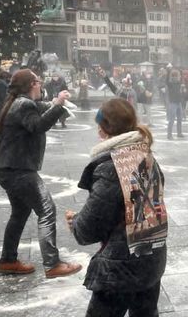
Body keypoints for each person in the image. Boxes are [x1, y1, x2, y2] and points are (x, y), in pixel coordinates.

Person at [65, 98, 167, 317]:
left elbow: (88, 230)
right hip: (151, 257)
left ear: (103, 130)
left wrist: (76, 222)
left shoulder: (112, 166)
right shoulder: (146, 155)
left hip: (121, 266)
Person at [0, 69, 81, 278]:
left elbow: (43, 109)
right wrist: (58, 104)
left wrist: (58, 103)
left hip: (8, 168)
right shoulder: (23, 104)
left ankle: (8, 261)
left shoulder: (20, 102)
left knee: (20, 213)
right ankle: (52, 264)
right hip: (18, 169)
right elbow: (38, 126)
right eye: (39, 82)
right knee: (47, 210)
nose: (41, 85)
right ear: (32, 84)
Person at [165, 68, 184, 139]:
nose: (176, 77)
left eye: (177, 76)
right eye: (175, 76)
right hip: (173, 103)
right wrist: (169, 71)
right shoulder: (170, 84)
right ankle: (169, 134)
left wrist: (180, 71)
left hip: (178, 102)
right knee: (172, 119)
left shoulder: (178, 83)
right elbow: (166, 80)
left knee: (179, 118)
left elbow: (181, 77)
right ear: (173, 77)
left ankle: (179, 133)